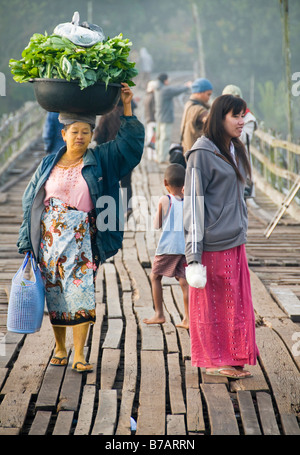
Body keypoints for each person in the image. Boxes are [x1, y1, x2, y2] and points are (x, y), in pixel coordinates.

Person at [17, 83, 145, 373]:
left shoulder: (101, 159)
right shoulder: (48, 163)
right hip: (49, 241)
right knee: (55, 295)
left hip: (83, 241)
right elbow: (30, 202)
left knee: (82, 295)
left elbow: (131, 146)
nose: (79, 136)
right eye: (74, 132)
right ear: (63, 134)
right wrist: (27, 242)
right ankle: (60, 347)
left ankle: (79, 354)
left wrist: (126, 107)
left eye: (85, 132)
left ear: (91, 135)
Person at [183, 94, 259, 379]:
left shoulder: (235, 148)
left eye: (243, 115)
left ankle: (235, 355)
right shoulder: (202, 153)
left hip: (235, 240)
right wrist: (193, 255)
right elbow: (192, 203)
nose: (241, 122)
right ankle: (216, 360)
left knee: (235, 303)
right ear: (219, 118)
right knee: (213, 305)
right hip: (212, 244)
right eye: (235, 116)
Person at [143, 163, 189, 329]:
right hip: (184, 248)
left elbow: (157, 225)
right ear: (185, 184)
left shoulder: (165, 199)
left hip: (167, 247)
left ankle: (159, 314)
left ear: (165, 183)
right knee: (184, 281)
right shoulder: (189, 201)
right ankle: (188, 318)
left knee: (155, 277)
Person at [93, 98, 138, 220]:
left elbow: (98, 136)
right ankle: (127, 208)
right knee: (126, 183)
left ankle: (111, 209)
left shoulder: (106, 116)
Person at [222, 84, 257, 198]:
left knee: (240, 197)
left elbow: (244, 138)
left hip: (240, 159)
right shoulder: (221, 116)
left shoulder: (248, 118)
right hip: (224, 159)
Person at [155, 73, 191, 163]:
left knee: (159, 138)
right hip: (166, 118)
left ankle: (158, 156)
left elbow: (173, 88)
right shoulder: (165, 90)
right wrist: (186, 87)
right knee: (165, 138)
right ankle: (162, 159)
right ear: (164, 80)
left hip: (159, 117)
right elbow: (176, 90)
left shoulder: (158, 89)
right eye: (168, 80)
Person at [180, 77, 213, 155]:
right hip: (197, 152)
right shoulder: (199, 109)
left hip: (187, 149)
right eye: (208, 94)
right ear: (199, 93)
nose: (209, 98)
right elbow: (211, 122)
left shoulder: (188, 105)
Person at [144, 80, 158, 160]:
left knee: (150, 137)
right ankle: (154, 155)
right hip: (153, 120)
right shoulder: (153, 97)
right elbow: (154, 109)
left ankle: (150, 155)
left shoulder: (147, 96)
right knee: (153, 138)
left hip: (149, 120)